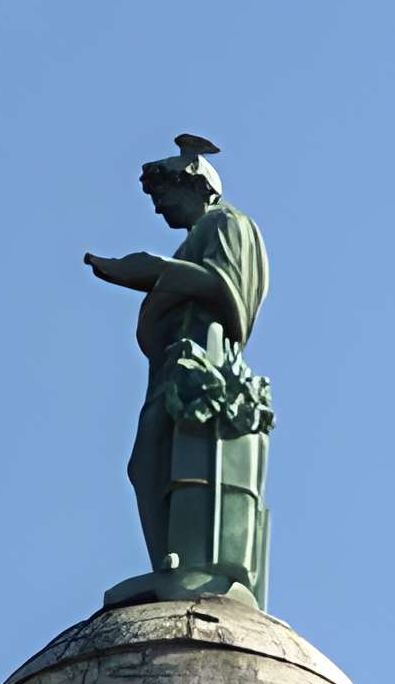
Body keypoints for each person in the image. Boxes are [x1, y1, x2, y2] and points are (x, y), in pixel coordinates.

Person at [84, 134, 271, 600]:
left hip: (202, 364)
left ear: (193, 184)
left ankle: (195, 565)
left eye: (162, 195)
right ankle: (170, 564)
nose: (157, 209)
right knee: (148, 462)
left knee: (186, 457)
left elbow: (230, 287)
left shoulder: (228, 223)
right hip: (175, 363)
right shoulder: (197, 237)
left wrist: (152, 269)